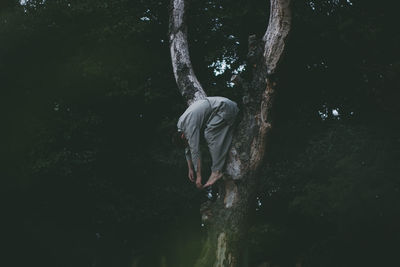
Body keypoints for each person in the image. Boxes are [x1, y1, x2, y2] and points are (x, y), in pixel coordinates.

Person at [177, 96, 239, 189]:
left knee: (209, 134)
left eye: (187, 142)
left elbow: (195, 151)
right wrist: (190, 169)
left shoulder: (188, 127)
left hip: (225, 108)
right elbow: (187, 149)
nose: (189, 143)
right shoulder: (180, 125)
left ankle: (216, 172)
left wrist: (198, 177)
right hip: (221, 109)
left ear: (182, 136)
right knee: (209, 132)